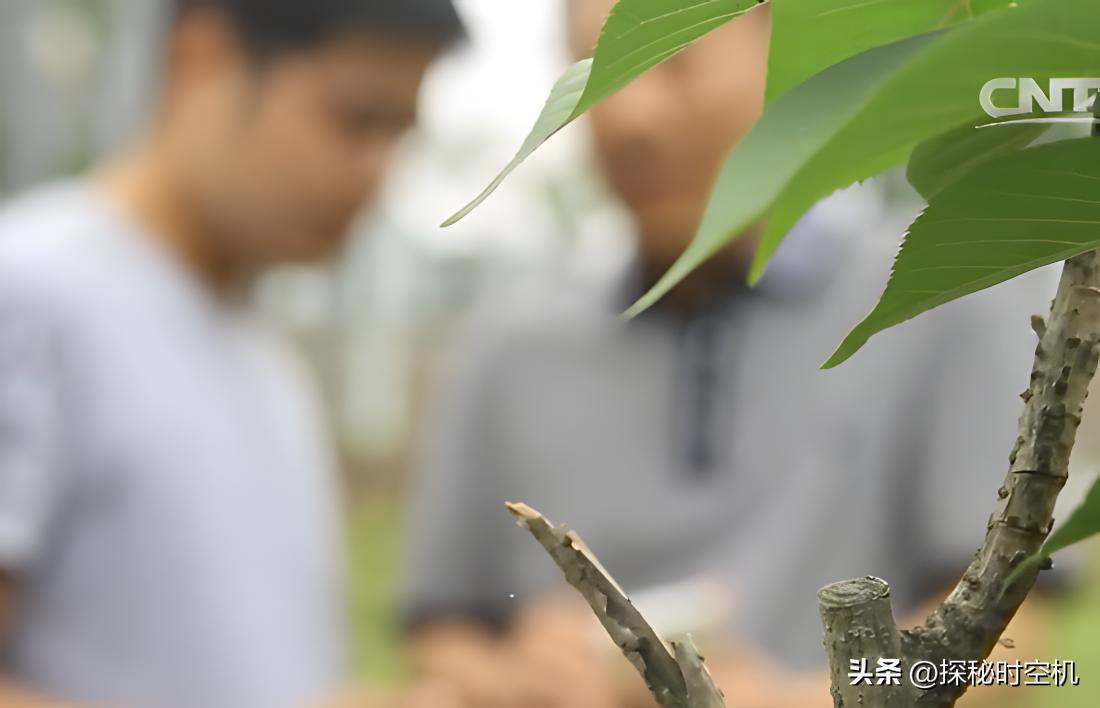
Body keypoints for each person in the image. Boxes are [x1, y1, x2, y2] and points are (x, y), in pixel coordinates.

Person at [399, 3, 1058, 707]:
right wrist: (516, 681)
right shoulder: (509, 343)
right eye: (591, 80)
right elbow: (441, 630)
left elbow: (1015, 647)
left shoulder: (941, 292)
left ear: (784, 56)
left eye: (665, 62)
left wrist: (806, 699)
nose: (628, 117)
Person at [0, 1, 463, 706]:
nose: (377, 173)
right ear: (203, 56)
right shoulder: (32, 295)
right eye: (355, 120)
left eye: (399, 135)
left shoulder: (267, 361)